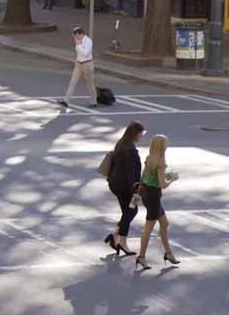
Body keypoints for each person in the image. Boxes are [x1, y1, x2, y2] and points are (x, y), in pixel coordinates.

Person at [136, 134, 180, 270]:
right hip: (154, 197)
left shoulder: (149, 159)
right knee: (148, 229)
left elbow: (145, 178)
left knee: (165, 223)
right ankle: (142, 257)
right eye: (166, 144)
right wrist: (172, 179)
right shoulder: (161, 162)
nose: (167, 146)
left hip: (147, 194)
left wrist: (137, 195)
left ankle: (168, 253)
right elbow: (162, 185)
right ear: (162, 146)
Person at [105, 121, 145, 257]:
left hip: (115, 184)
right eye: (141, 133)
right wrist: (135, 193)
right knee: (131, 211)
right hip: (124, 187)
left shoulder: (121, 143)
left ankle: (115, 236)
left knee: (128, 212)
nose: (142, 136)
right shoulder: (130, 150)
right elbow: (130, 174)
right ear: (136, 133)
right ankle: (121, 241)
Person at [58, 27, 97, 108]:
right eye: (75, 36)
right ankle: (66, 101)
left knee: (90, 84)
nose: (76, 38)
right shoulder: (77, 40)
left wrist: (78, 45)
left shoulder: (88, 41)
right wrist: (78, 44)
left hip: (87, 64)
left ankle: (94, 101)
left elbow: (86, 53)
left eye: (77, 36)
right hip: (78, 64)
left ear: (81, 34)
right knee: (72, 82)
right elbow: (79, 53)